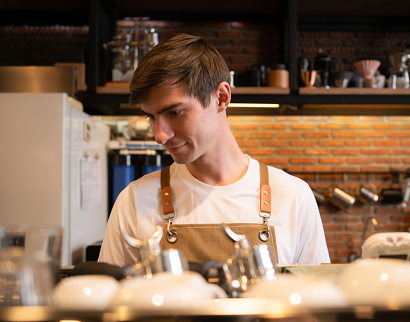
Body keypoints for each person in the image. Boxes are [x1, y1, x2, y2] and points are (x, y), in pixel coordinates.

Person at [98, 33, 330, 268]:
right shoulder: (135, 201)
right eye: (151, 117)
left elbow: (316, 302)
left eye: (174, 112)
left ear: (221, 97)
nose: (160, 135)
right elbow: (110, 301)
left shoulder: (293, 197)